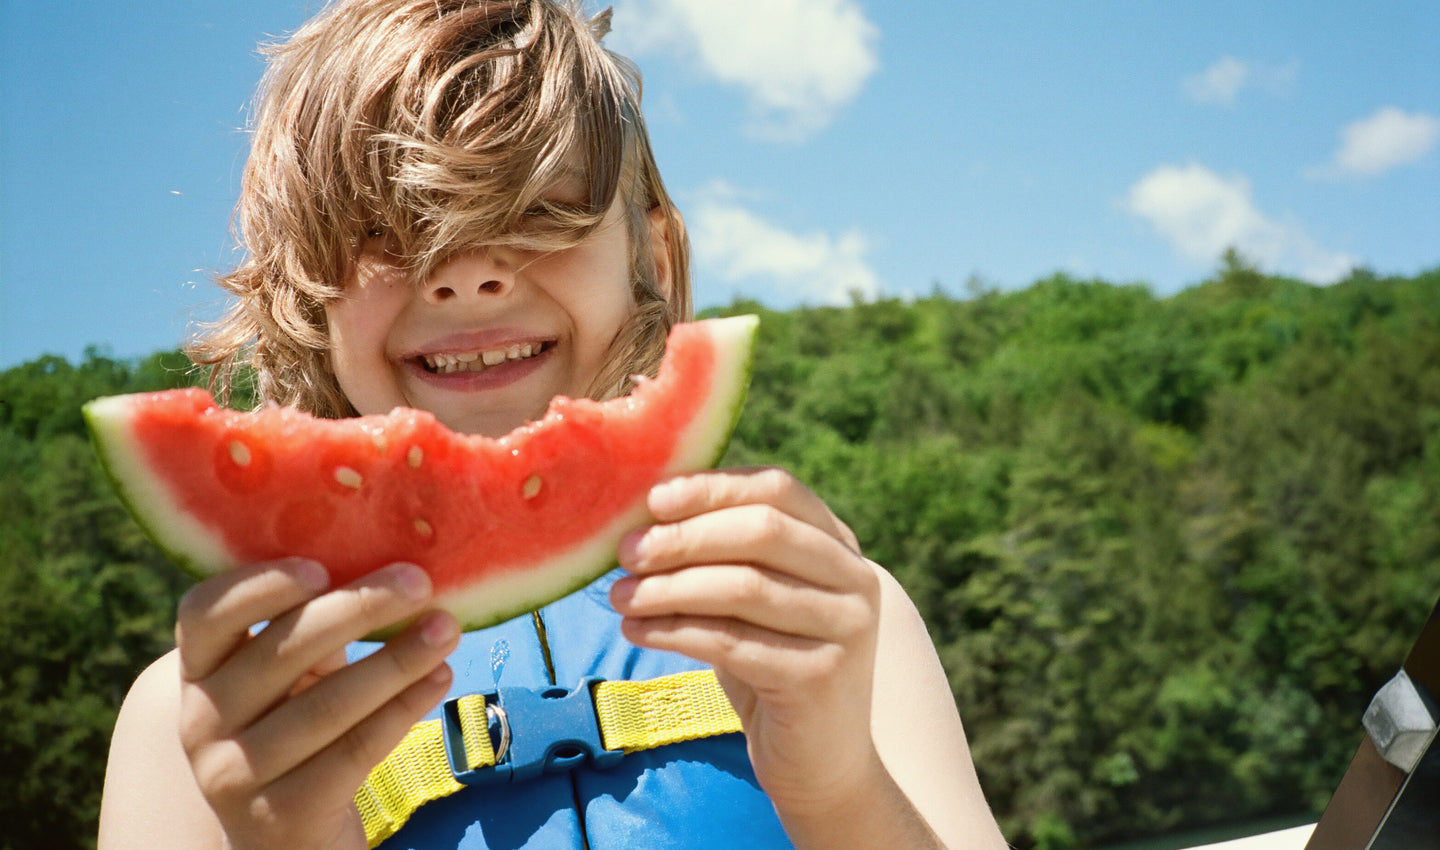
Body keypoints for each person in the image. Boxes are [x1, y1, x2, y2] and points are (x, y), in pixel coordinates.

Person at [96, 1, 1007, 847]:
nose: (464, 276)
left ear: (649, 254)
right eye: (382, 230)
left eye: (537, 211)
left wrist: (840, 791)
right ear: (308, 302)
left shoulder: (827, 616)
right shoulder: (192, 723)